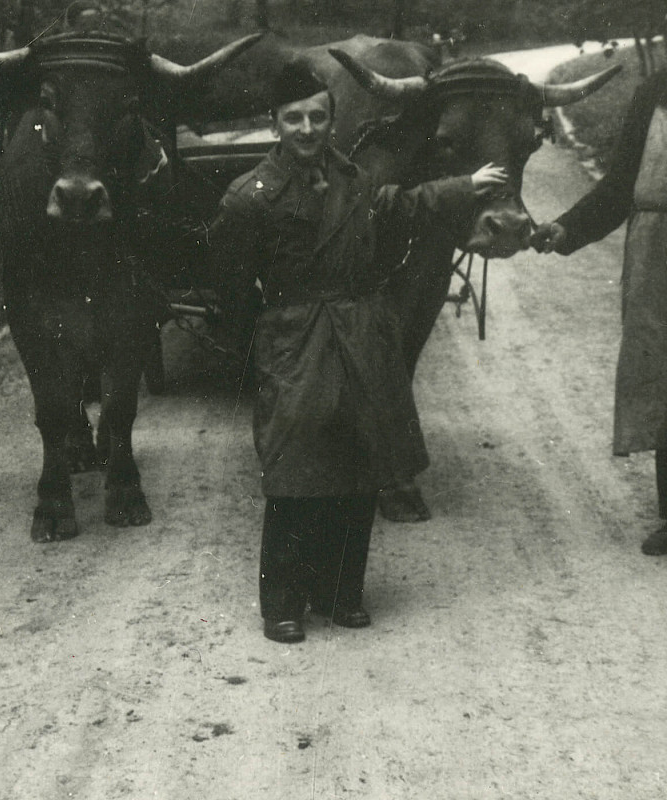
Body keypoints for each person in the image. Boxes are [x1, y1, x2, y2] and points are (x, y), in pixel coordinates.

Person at [206, 60, 508, 643]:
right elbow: (227, 281)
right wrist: (263, 341)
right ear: (275, 125)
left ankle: (343, 594)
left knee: (357, 463)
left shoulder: (353, 179)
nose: (306, 128)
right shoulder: (251, 197)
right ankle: (283, 605)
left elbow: (404, 205)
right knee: (293, 470)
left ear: (331, 120)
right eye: (293, 118)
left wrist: (467, 186)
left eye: (318, 116)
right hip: (293, 338)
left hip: (357, 333)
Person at [531, 0, 667, 561]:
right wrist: (564, 229)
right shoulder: (653, 90)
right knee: (661, 376)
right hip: (653, 257)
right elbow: (620, 186)